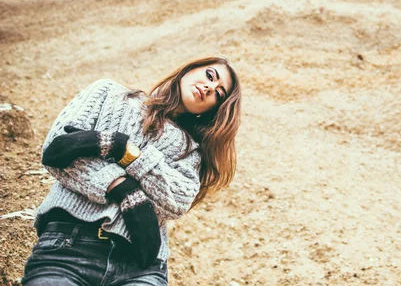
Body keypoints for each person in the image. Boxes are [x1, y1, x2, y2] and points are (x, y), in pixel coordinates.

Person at [21, 56, 242, 285]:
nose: (208, 87)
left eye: (218, 93)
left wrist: (121, 148)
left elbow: (177, 200)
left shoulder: (191, 151)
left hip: (141, 265)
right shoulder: (108, 93)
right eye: (209, 76)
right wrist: (125, 190)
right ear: (188, 69)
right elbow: (57, 151)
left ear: (213, 109)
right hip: (68, 247)